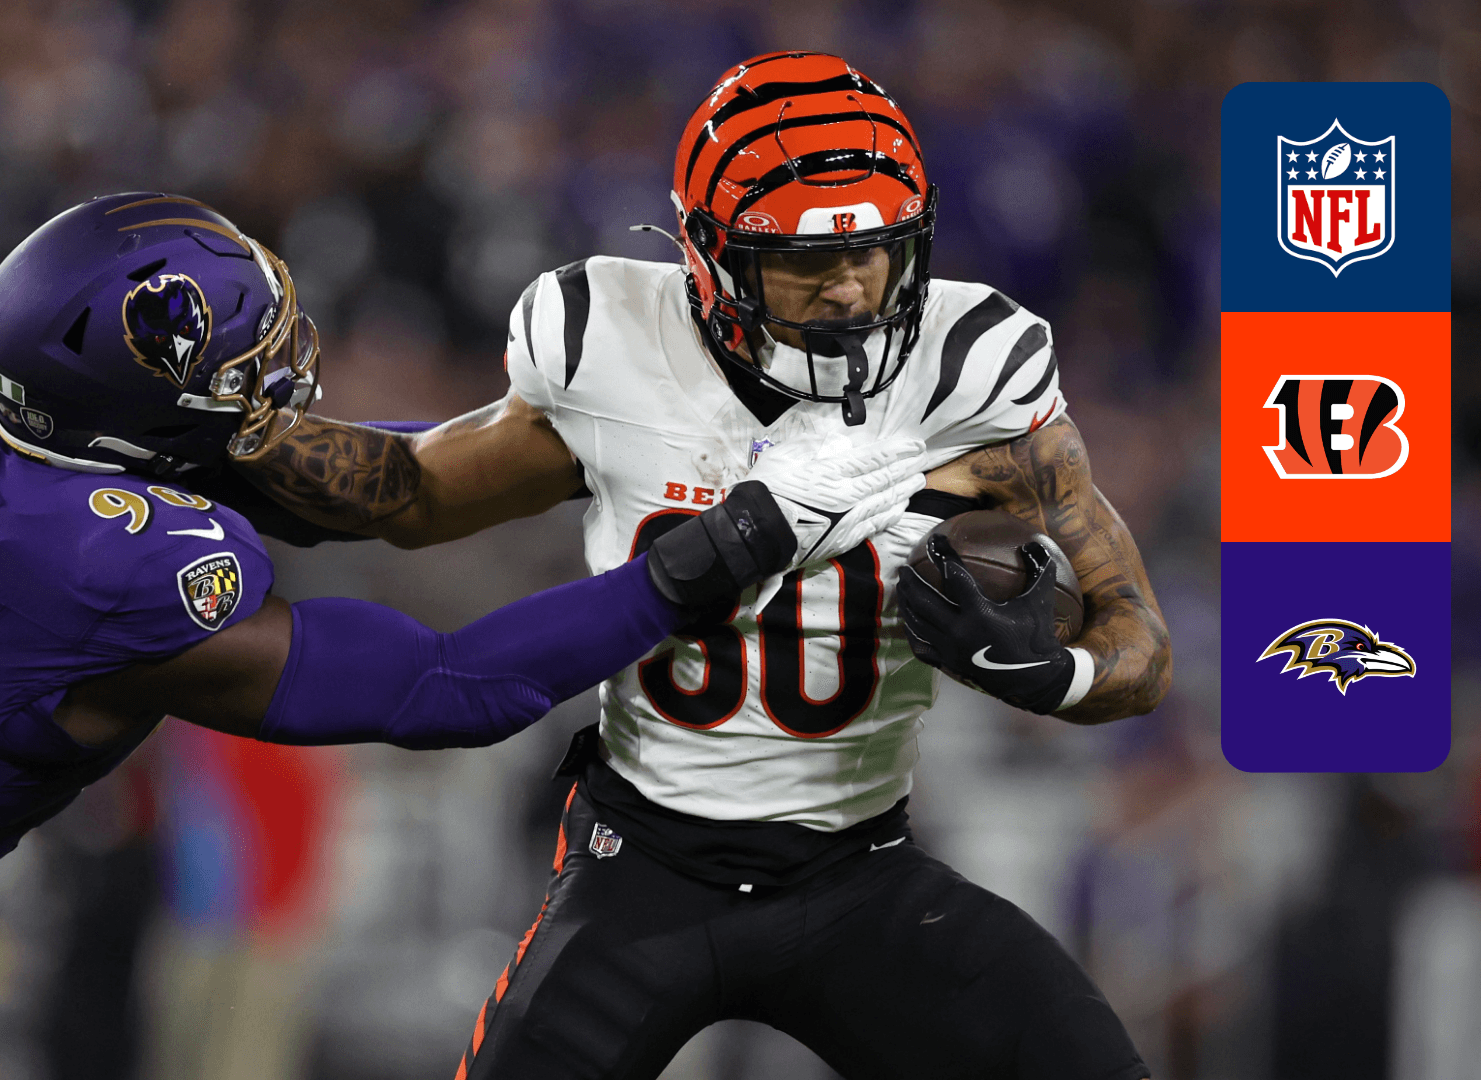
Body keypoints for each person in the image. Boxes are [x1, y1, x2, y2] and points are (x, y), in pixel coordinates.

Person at [0, 193, 922, 1079]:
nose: (279, 377)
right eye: (243, 366)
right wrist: (723, 551)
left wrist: (597, 452)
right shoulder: (107, 572)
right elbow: (448, 685)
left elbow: (334, 481)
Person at [236, 54, 1171, 1080]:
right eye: (808, 262)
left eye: (874, 251)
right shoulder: (613, 344)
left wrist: (1056, 674)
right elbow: (413, 493)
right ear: (711, 257)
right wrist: (211, 444)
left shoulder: (971, 365)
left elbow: (1137, 637)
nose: (851, 288)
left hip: (859, 866)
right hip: (642, 865)